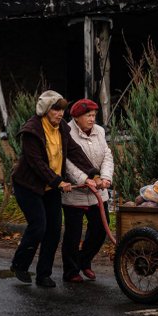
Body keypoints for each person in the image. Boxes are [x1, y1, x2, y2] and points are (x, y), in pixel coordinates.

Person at [10, 90, 98, 288]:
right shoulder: (31, 131)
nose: (60, 113)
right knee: (38, 225)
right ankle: (20, 264)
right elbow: (37, 164)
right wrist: (58, 181)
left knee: (54, 230)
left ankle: (44, 275)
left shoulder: (61, 129)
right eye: (56, 109)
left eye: (62, 110)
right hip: (28, 186)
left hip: (51, 187)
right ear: (45, 110)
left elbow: (75, 151)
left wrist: (92, 173)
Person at [61, 98, 114, 283]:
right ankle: (70, 271)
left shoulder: (99, 131)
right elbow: (66, 162)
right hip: (76, 193)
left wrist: (106, 177)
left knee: (100, 229)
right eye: (88, 115)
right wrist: (84, 179)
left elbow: (107, 155)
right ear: (76, 117)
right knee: (73, 234)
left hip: (98, 192)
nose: (92, 119)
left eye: (93, 115)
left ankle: (84, 261)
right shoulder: (66, 131)